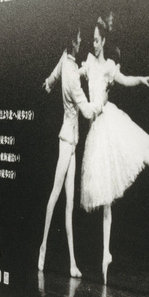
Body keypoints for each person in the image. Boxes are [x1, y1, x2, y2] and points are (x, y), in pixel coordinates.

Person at [78, 14, 149, 282]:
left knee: (134, 143)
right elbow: (74, 75)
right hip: (96, 128)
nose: (95, 44)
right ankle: (105, 254)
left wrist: (142, 78)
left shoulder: (109, 66)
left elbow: (125, 79)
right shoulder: (88, 63)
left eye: (98, 40)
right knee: (106, 199)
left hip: (108, 118)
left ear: (104, 41)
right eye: (93, 40)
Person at [38, 27, 98, 277]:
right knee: (55, 195)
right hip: (67, 140)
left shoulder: (66, 60)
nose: (82, 41)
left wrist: (49, 84)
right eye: (79, 39)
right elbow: (85, 110)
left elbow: (52, 77)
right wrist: (102, 104)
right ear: (73, 43)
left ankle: (72, 263)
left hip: (71, 142)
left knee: (69, 204)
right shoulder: (72, 76)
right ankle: (42, 248)